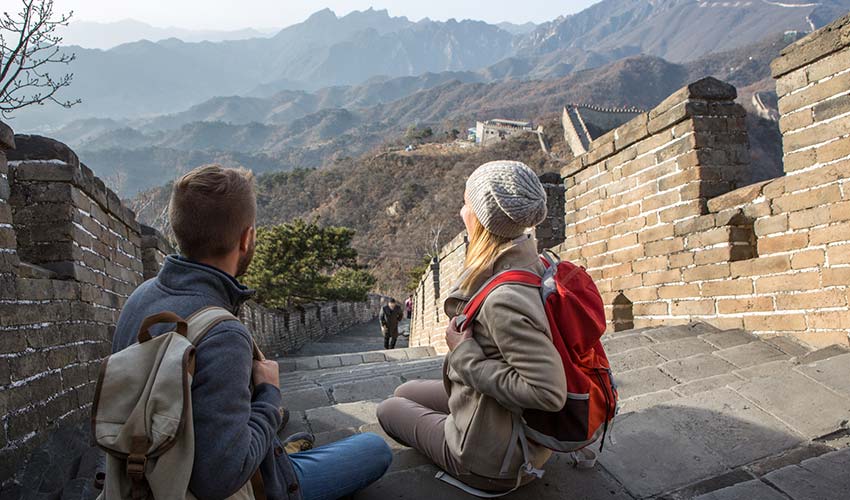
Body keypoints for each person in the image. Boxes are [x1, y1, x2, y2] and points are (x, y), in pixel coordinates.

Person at [112, 164, 392, 500]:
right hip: (232, 488)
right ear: (246, 239)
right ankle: (282, 459)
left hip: (144, 473)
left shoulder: (139, 298)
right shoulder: (223, 335)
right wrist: (269, 395)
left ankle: (277, 449)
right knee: (375, 448)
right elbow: (218, 480)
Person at [376, 161, 566, 494]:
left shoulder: (503, 299)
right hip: (497, 414)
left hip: (496, 460)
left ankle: (469, 455)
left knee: (388, 409)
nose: (461, 211)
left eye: (466, 203)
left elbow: (547, 393)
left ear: (479, 217)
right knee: (404, 393)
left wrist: (465, 354)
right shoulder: (536, 262)